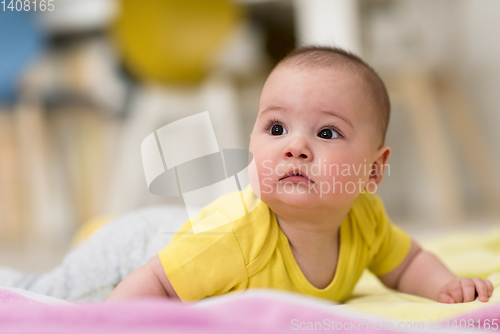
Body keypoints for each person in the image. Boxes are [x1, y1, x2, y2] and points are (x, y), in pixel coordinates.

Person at [107, 46, 494, 304]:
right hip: (134, 253)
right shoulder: (235, 239)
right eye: (276, 129)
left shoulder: (365, 219)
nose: (295, 147)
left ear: (374, 169)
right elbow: (156, 282)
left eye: (327, 133)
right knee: (58, 291)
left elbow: (408, 264)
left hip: (181, 241)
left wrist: (445, 286)